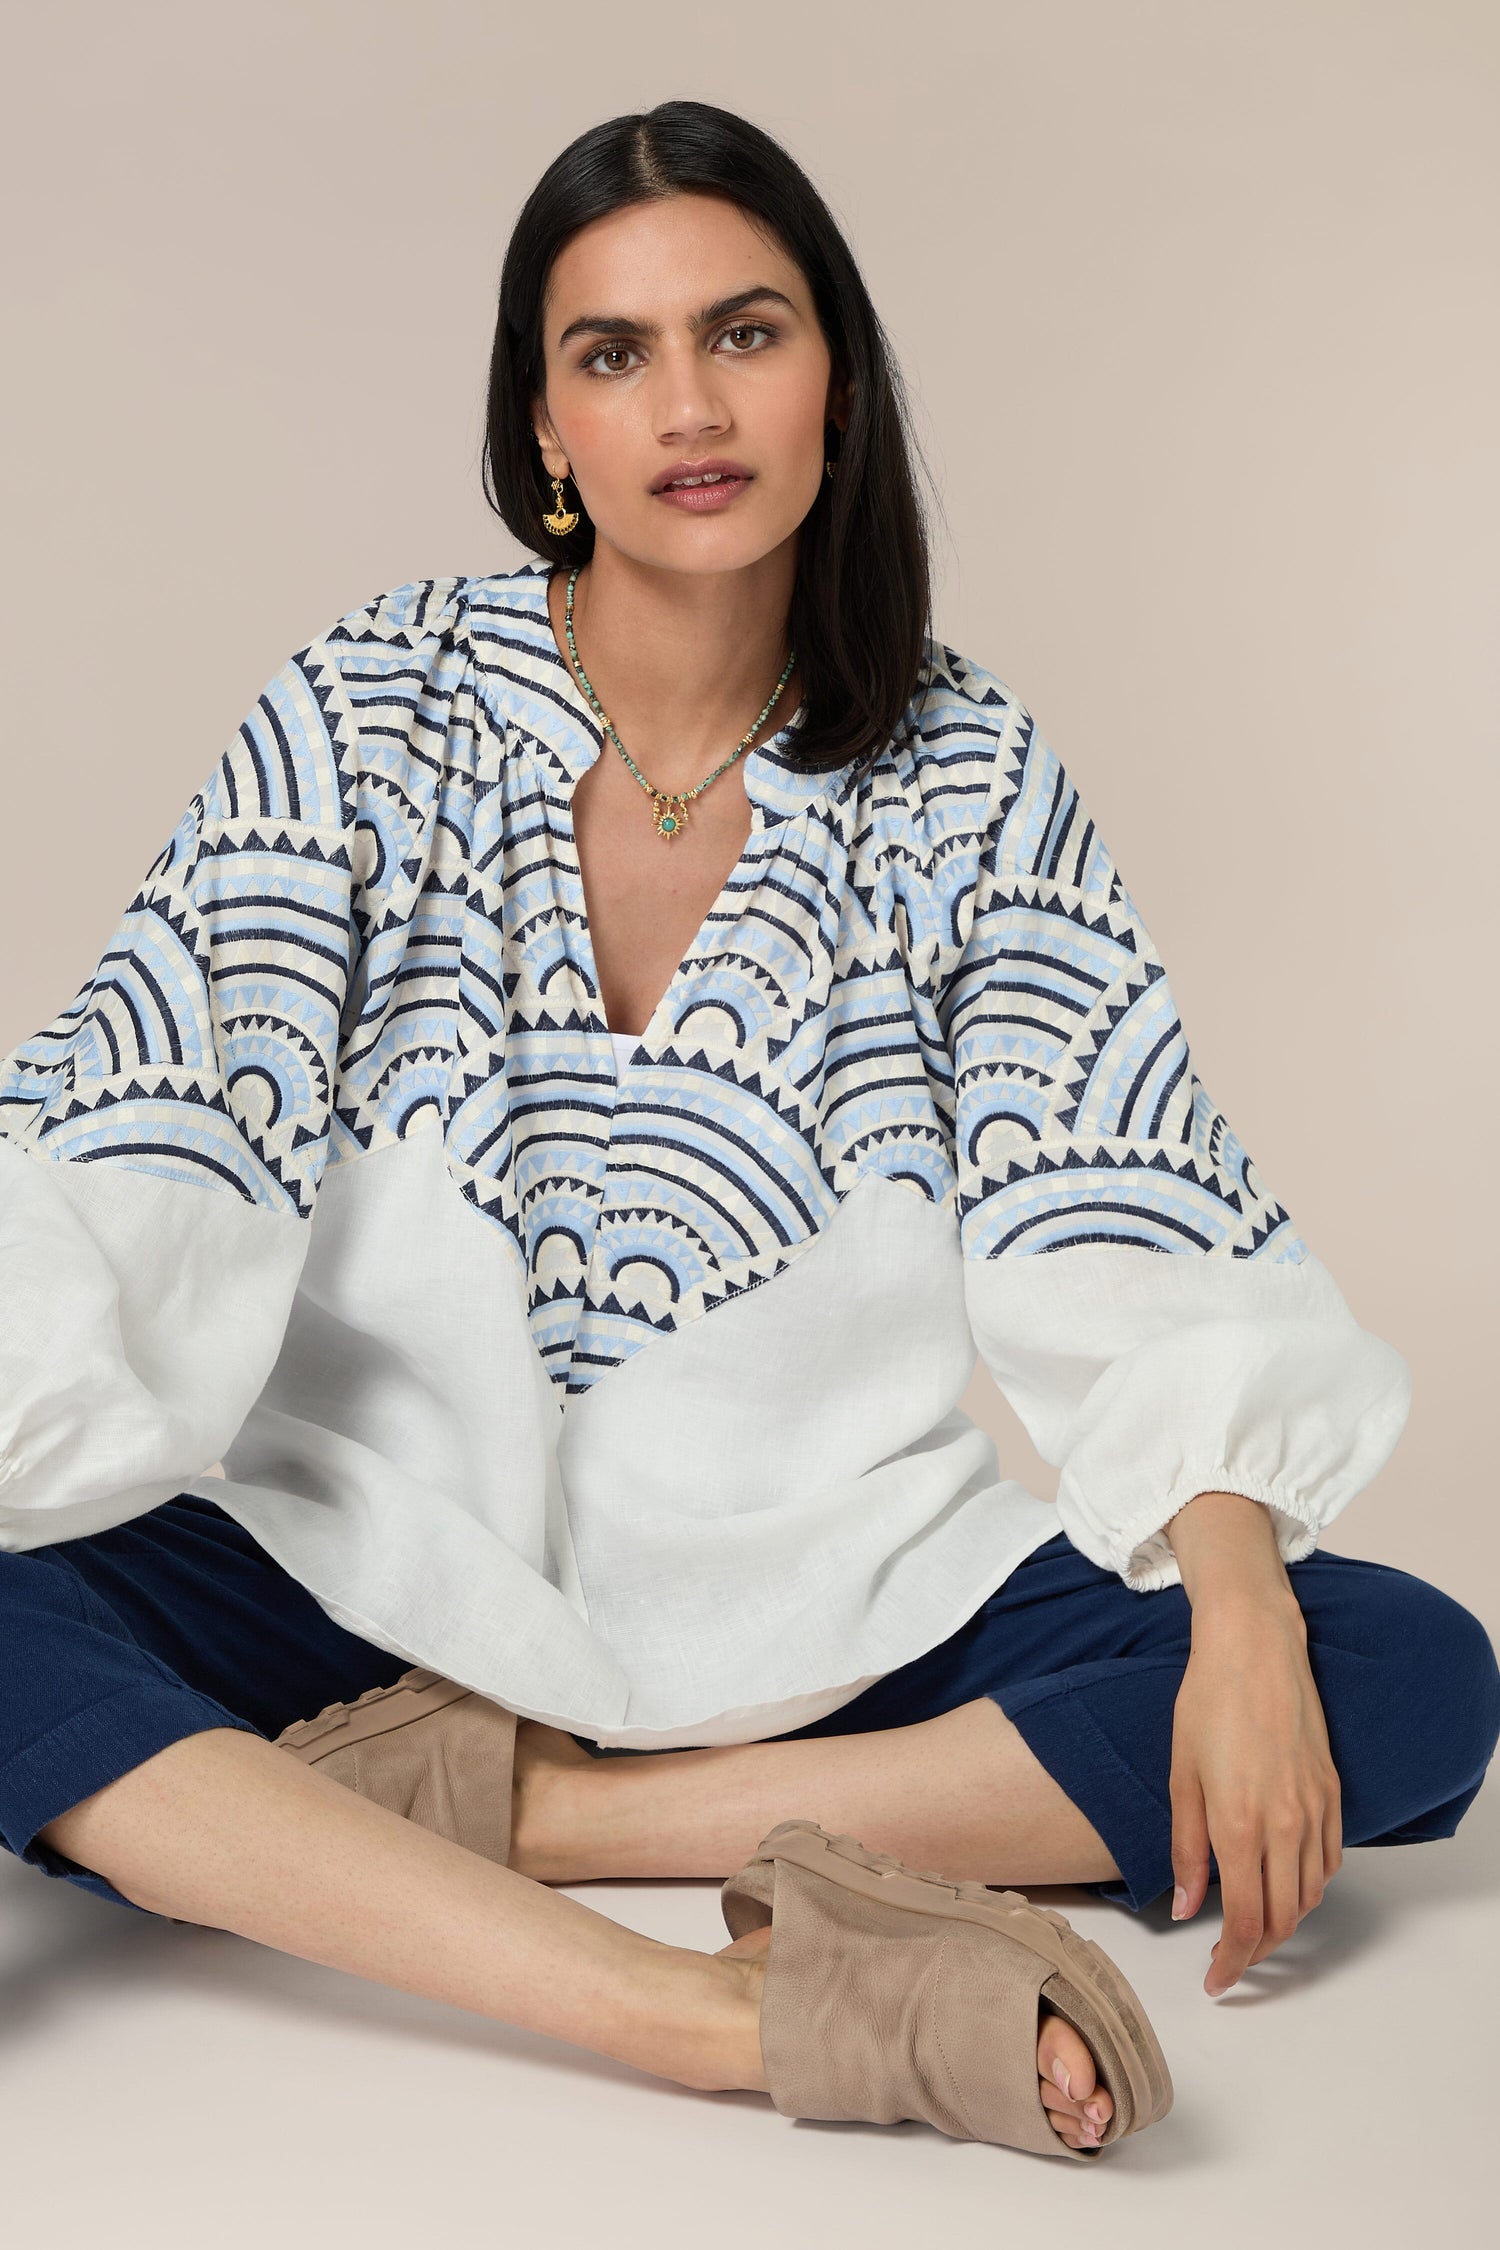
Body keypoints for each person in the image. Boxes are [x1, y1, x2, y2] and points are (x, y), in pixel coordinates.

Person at [1, 99, 1495, 2160]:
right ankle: (706, 2007)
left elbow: (1110, 1187)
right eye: (612, 353)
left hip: (822, 1597)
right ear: (541, 427)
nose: (686, 405)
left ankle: (491, 1820)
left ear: (839, 386)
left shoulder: (966, 770)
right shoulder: (370, 703)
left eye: (746, 332)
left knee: (1401, 1673)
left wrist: (1235, 1605)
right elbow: (153, 1120)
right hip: (360, 1556)